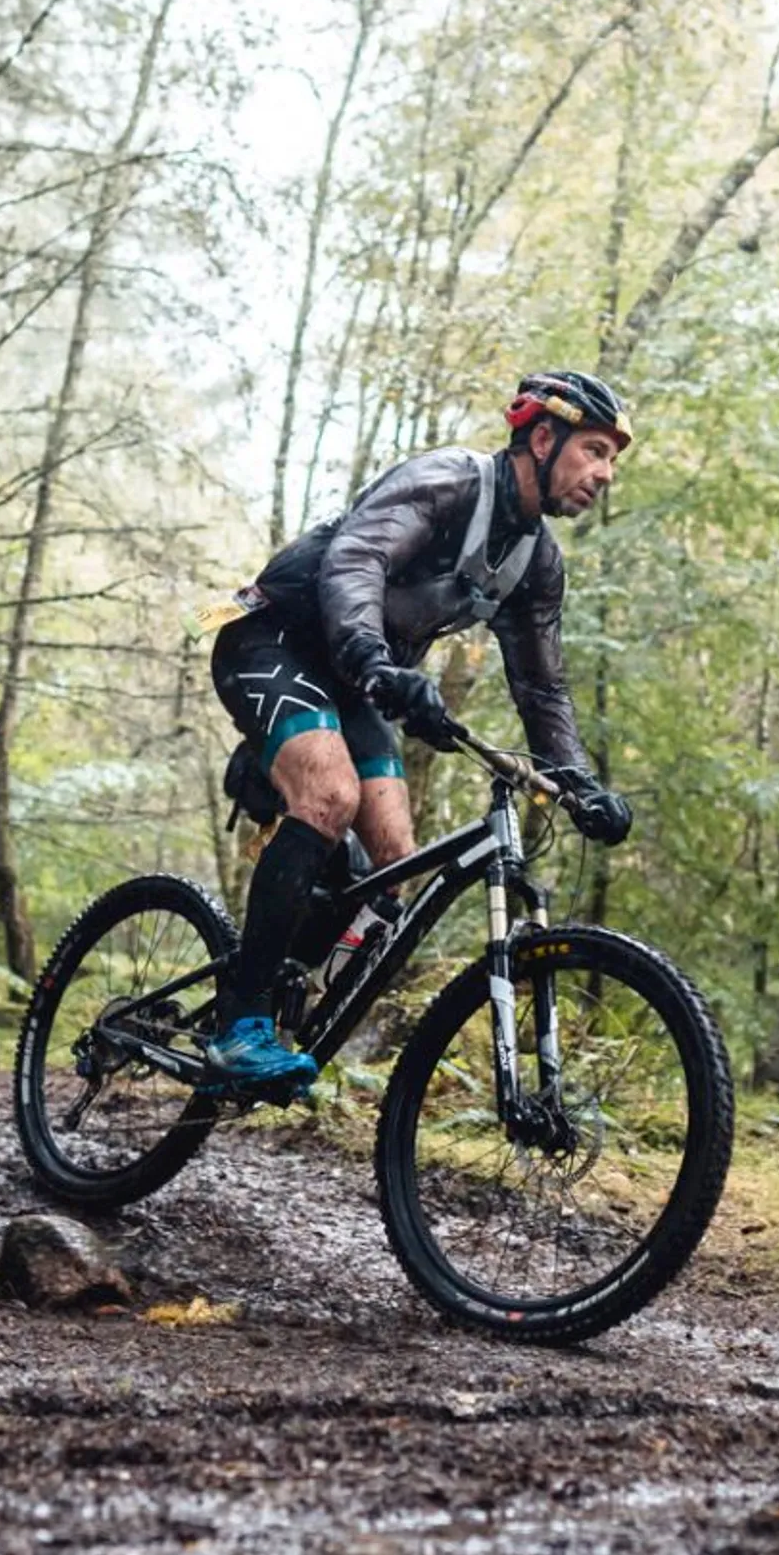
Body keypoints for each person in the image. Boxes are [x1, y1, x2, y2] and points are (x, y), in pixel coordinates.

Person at [204, 370, 638, 1085]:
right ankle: (239, 1024)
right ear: (541, 436)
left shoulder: (536, 563)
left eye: (612, 459)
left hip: (358, 677)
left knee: (396, 861)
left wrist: (578, 785)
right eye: (594, 450)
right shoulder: (448, 482)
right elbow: (355, 560)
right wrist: (380, 666)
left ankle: (284, 994)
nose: (605, 473)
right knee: (330, 797)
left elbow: (542, 686)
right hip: (276, 638)